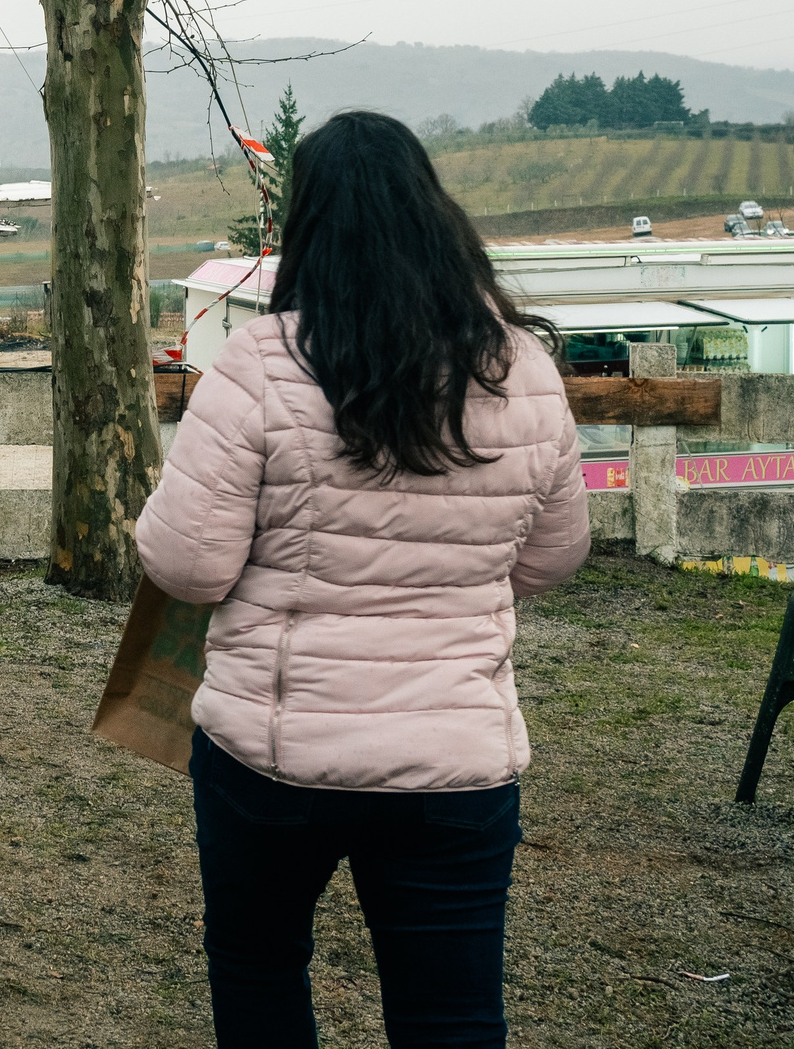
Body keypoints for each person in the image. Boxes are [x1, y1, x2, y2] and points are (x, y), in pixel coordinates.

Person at [135, 110, 587, 1049]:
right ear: (436, 214)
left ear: (308, 226)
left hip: (274, 754)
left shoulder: (262, 363)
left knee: (260, 971)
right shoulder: (525, 369)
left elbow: (188, 564)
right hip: (455, 757)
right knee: (451, 1011)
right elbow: (552, 557)